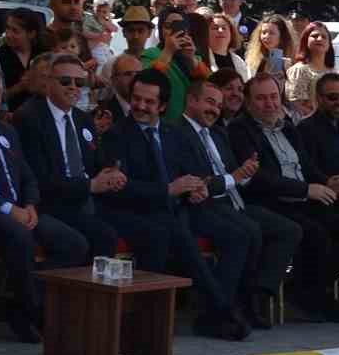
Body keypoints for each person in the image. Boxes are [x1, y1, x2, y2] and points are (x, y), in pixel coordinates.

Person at [95, 68, 248, 339]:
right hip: (136, 210)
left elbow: (188, 171)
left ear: (163, 105)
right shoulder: (117, 135)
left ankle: (214, 312)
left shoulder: (171, 132)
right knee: (175, 234)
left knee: (237, 234)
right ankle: (220, 311)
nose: (140, 106)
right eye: (137, 99)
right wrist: (167, 190)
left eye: (149, 102)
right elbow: (120, 187)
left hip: (179, 206)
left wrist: (197, 188)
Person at [0, 64, 89, 342]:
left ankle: (17, 302)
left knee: (75, 243)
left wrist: (31, 204)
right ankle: (31, 312)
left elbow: (27, 176)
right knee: (19, 237)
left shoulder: (6, 131)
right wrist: (9, 209)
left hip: (21, 210)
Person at [235, 73, 339, 322]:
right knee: (315, 233)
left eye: (273, 97)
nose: (269, 104)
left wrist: (326, 183)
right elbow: (259, 178)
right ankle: (300, 293)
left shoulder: (287, 127)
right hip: (271, 201)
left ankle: (311, 290)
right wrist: (307, 190)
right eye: (261, 99)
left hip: (303, 198)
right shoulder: (240, 129)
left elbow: (306, 165)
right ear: (248, 103)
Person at [177, 78, 301, 328]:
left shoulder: (218, 133)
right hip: (200, 206)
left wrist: (244, 174)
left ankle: (256, 296)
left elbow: (235, 174)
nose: (214, 109)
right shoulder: (177, 133)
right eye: (209, 102)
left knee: (288, 229)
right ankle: (219, 309)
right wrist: (234, 178)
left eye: (218, 105)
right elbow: (197, 182)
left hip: (234, 201)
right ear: (191, 100)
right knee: (244, 233)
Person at [13, 54, 123, 262]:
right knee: (97, 237)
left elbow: (97, 162)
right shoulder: (29, 118)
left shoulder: (83, 119)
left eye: (79, 82)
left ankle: (98, 293)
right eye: (65, 81)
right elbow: (39, 179)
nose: (73, 87)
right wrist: (89, 185)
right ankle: (72, 293)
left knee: (139, 225)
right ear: (48, 83)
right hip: (49, 206)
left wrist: (112, 173)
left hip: (85, 202)